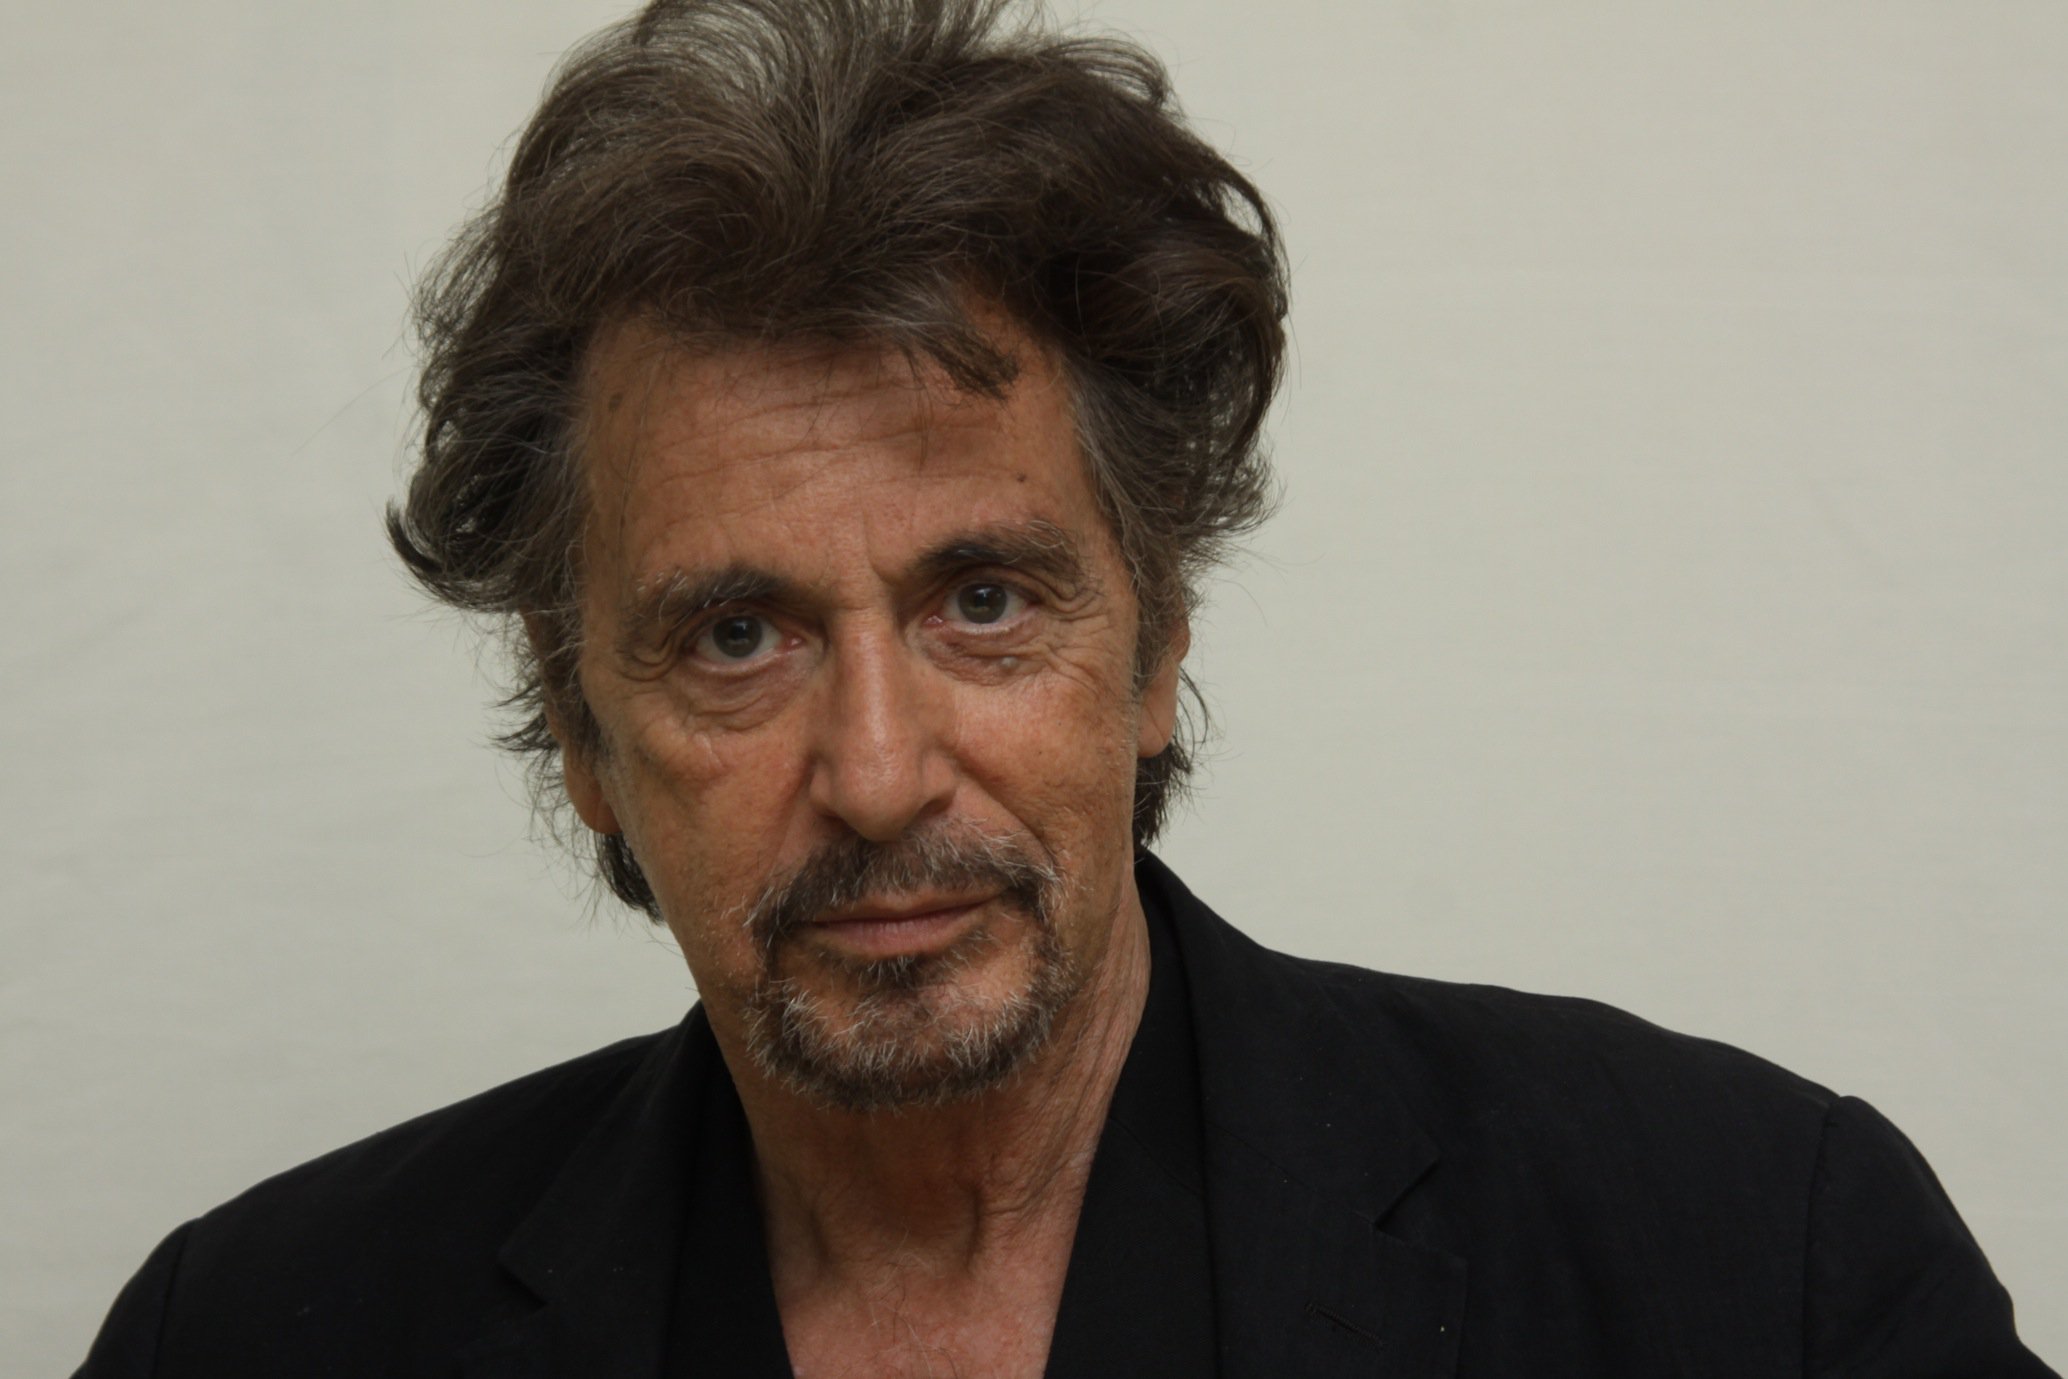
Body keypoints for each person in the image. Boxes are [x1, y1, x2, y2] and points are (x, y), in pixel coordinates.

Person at [75, 0, 2055, 1374]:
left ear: (1157, 640)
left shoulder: (1756, 1266)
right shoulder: (242, 1338)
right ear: (582, 730)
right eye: (737, 636)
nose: (876, 772)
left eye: (982, 601)